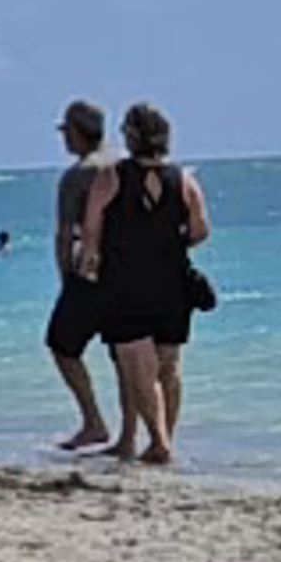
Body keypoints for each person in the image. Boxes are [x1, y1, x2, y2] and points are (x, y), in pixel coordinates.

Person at [79, 100, 209, 466]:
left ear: (129, 137)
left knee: (138, 367)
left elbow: (91, 234)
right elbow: (200, 231)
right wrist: (166, 241)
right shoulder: (184, 180)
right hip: (173, 284)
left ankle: (159, 442)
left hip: (124, 284)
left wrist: (90, 269)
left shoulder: (110, 178)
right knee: (169, 367)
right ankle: (164, 440)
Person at [45, 100, 116, 451]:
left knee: (61, 345)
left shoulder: (77, 175)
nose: (64, 139)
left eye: (66, 132)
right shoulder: (123, 167)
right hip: (127, 272)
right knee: (126, 353)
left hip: (87, 274)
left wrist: (65, 281)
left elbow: (64, 234)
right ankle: (133, 432)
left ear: (76, 132)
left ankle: (93, 421)